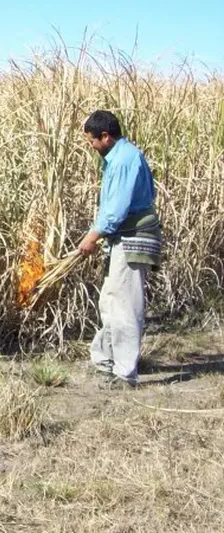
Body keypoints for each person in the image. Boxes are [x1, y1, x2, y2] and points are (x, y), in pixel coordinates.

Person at [78, 110, 162, 388]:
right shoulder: (118, 157)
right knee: (111, 300)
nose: (91, 145)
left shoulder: (124, 160)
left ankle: (125, 373)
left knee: (124, 303)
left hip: (132, 236)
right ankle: (106, 360)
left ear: (106, 136)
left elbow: (115, 209)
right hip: (123, 237)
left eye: (92, 140)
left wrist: (92, 236)